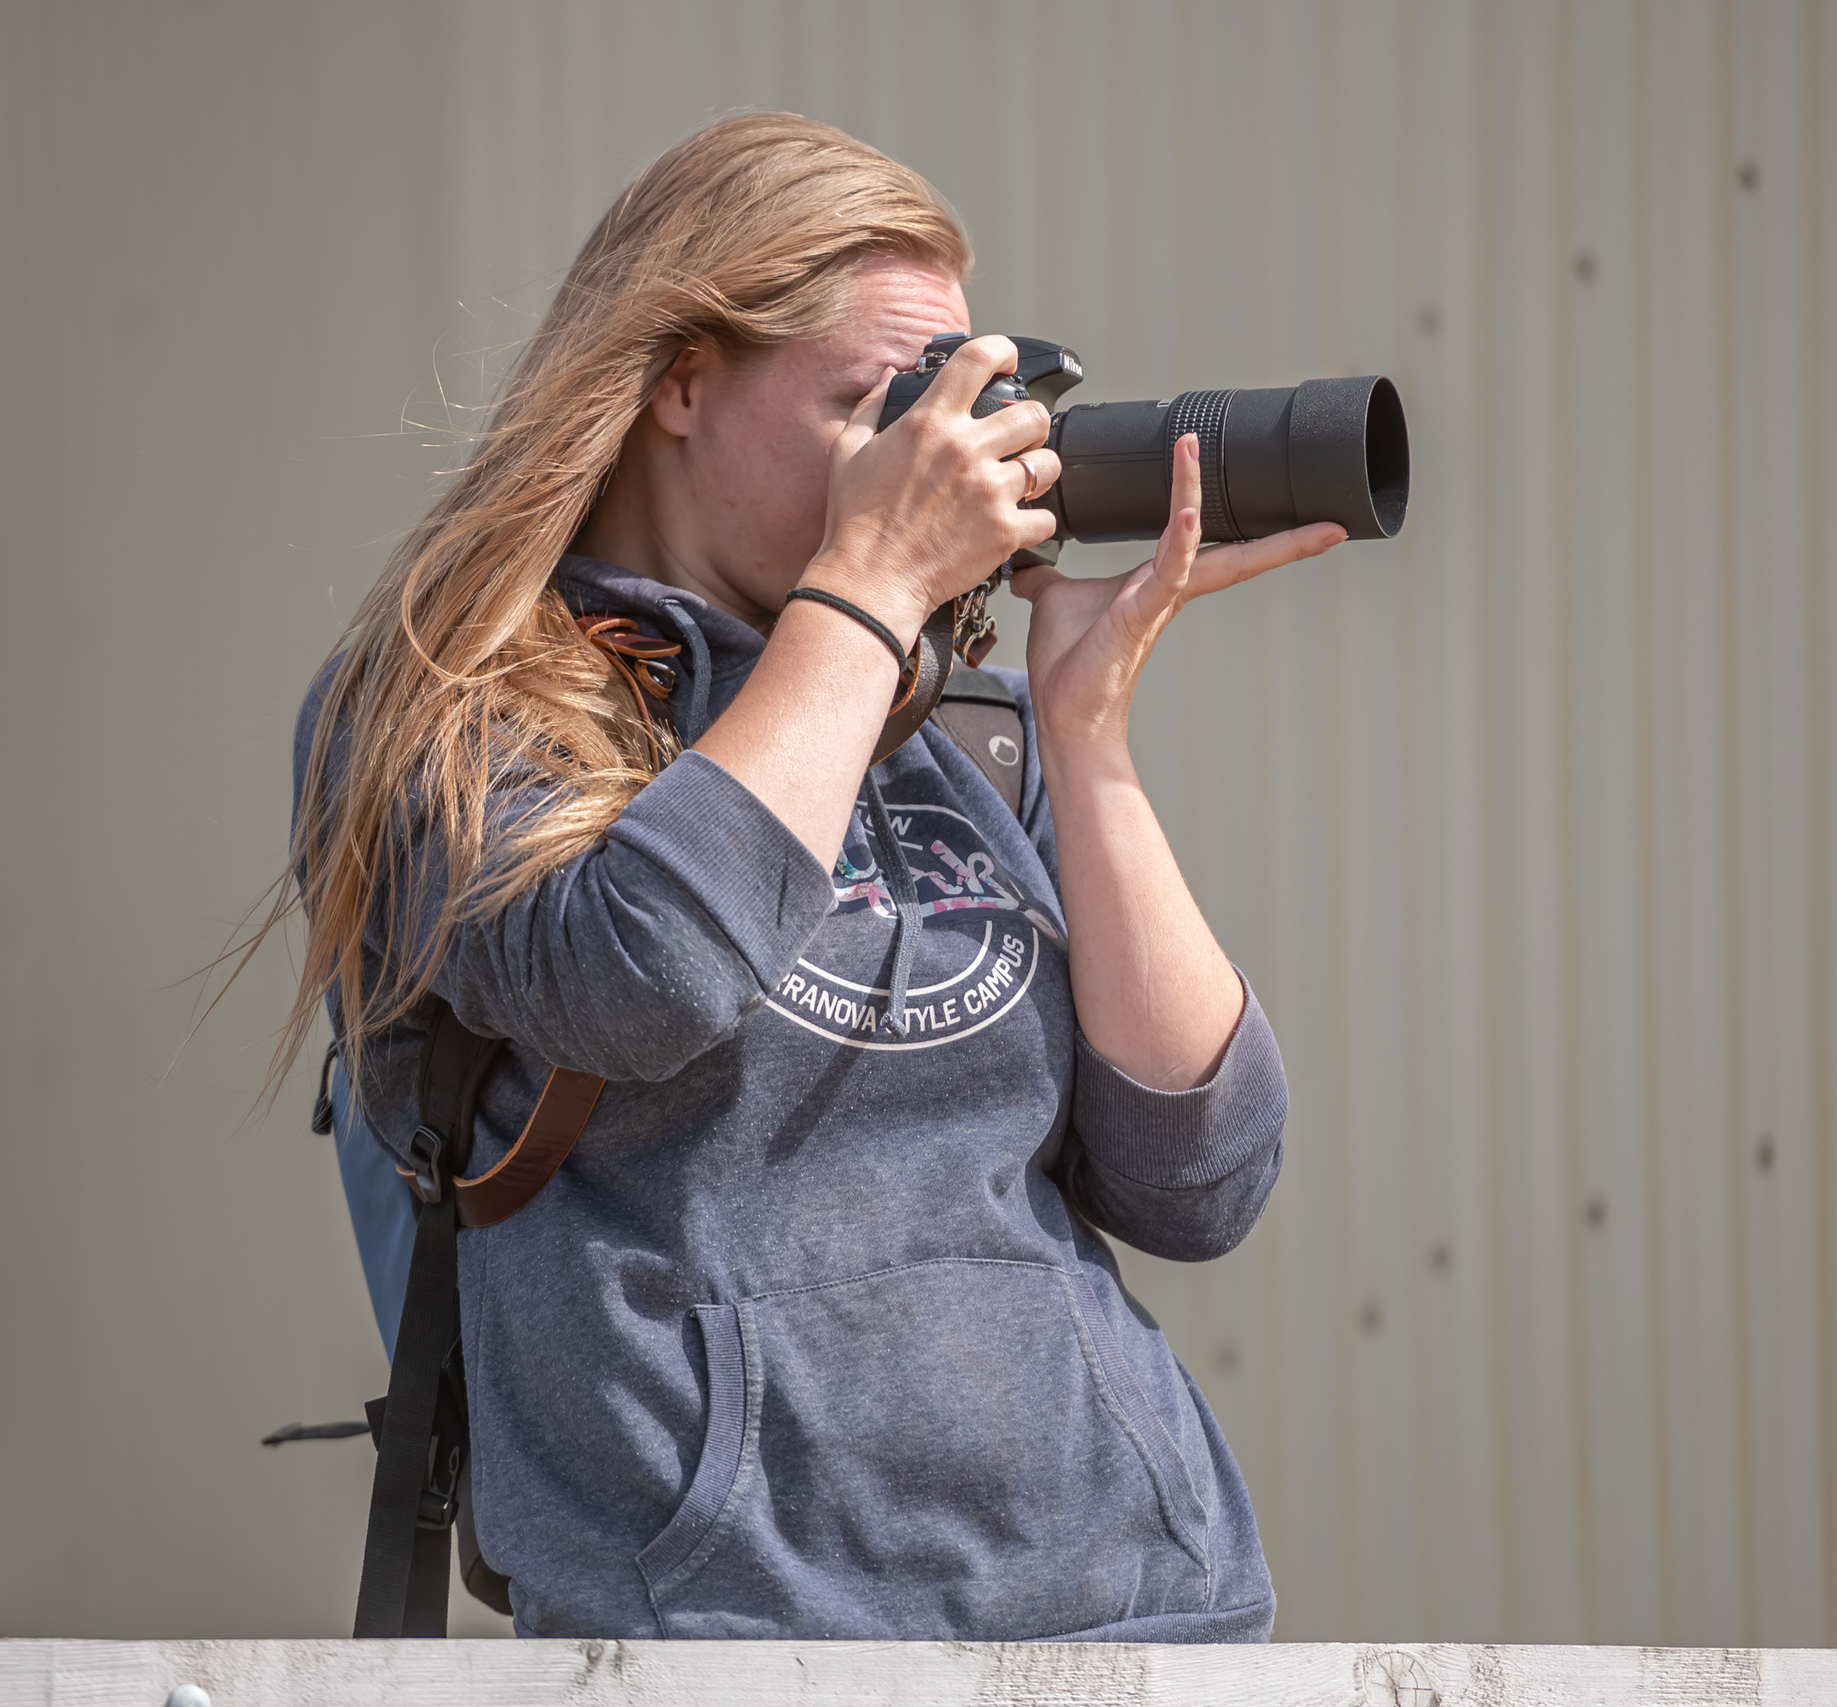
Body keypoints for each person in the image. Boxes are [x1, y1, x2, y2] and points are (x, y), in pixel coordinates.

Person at [279, 112, 1344, 1643]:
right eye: (876, 410)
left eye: (954, 414)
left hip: (1135, 1623)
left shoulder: (957, 732)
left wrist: (1084, 733)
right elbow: (638, 980)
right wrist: (867, 588)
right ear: (680, 382)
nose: (932, 469)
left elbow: (1204, 1178)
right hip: (738, 1637)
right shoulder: (449, 702)